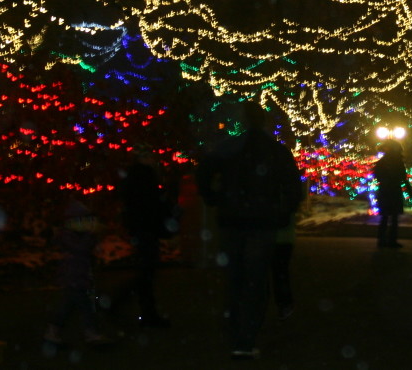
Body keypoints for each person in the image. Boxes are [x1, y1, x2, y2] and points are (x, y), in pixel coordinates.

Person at [196, 101, 303, 361]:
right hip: (261, 221)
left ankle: (235, 334)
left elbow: (204, 173)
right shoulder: (276, 151)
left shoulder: (229, 149)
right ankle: (246, 338)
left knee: (235, 279)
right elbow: (293, 187)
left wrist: (215, 198)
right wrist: (282, 213)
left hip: (233, 219)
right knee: (255, 281)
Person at [105, 152, 173, 328]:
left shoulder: (133, 178)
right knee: (146, 272)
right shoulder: (145, 177)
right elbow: (150, 204)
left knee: (146, 271)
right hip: (146, 227)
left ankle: (130, 306)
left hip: (141, 227)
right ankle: (138, 309)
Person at [43, 199, 110, 348]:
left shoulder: (73, 235)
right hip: (74, 277)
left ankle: (54, 332)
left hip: (77, 276)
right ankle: (90, 333)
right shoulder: (69, 236)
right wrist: (90, 235)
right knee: (82, 306)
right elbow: (81, 250)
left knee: (70, 305)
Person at [372, 139, 412, 248]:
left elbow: (376, 174)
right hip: (393, 189)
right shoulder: (397, 161)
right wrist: (408, 189)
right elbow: (403, 177)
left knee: (386, 216)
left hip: (385, 190)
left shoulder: (383, 161)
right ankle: (391, 240)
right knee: (393, 216)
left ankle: (382, 240)